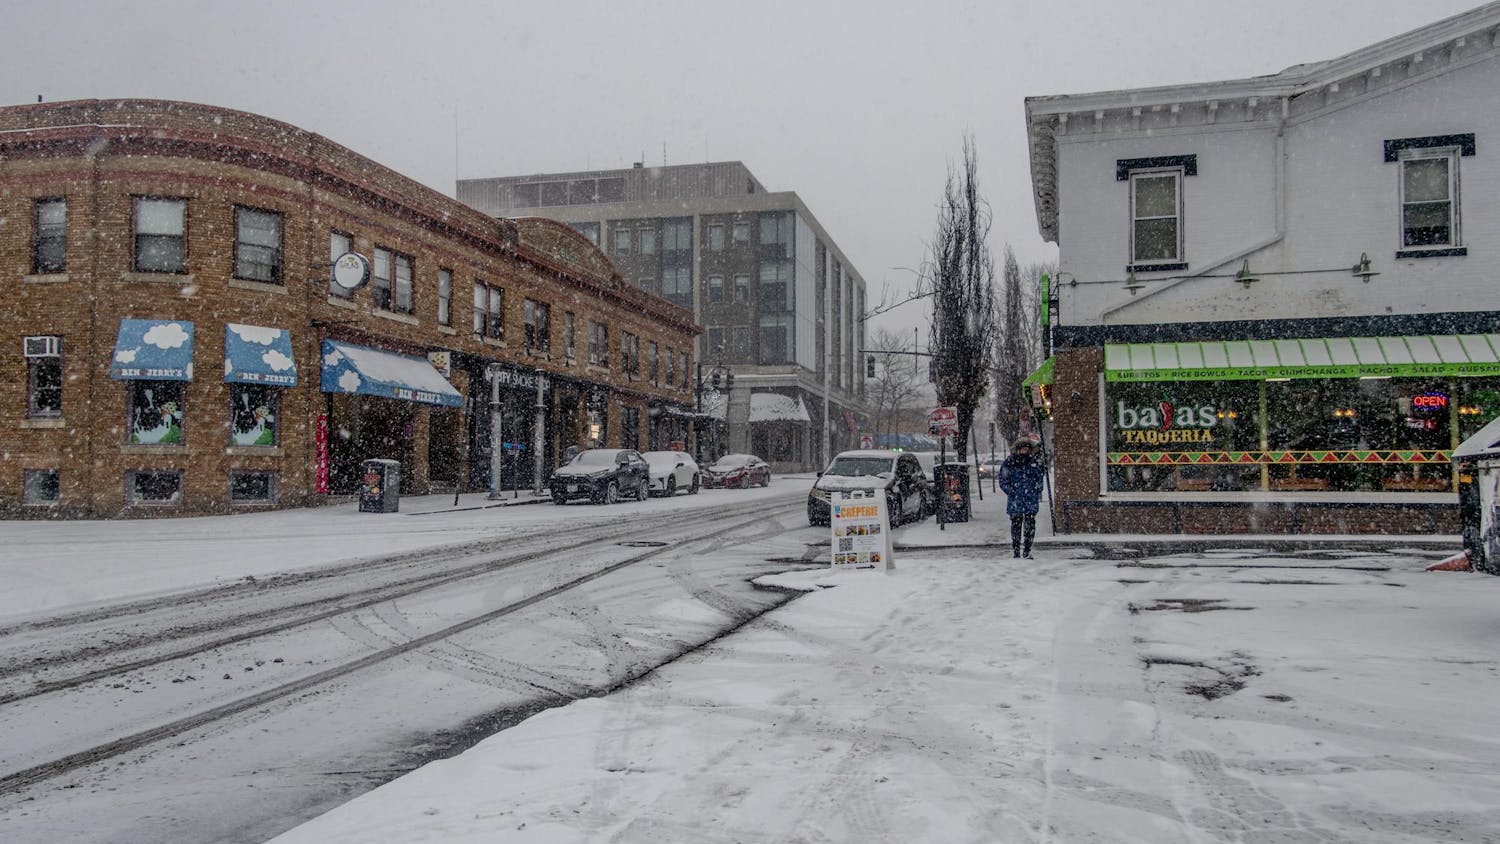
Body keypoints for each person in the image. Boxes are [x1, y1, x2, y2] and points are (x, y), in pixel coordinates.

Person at [997, 437, 1046, 559]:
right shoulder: (1010, 462)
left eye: (1027, 448)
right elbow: (1003, 480)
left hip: (1030, 500)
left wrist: (1037, 489)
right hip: (1016, 500)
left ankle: (1027, 550)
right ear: (1018, 449)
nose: (1025, 451)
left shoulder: (1034, 463)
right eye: (1023, 448)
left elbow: (1039, 479)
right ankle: (1016, 550)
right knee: (1016, 527)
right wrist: (1011, 491)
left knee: (1030, 527)